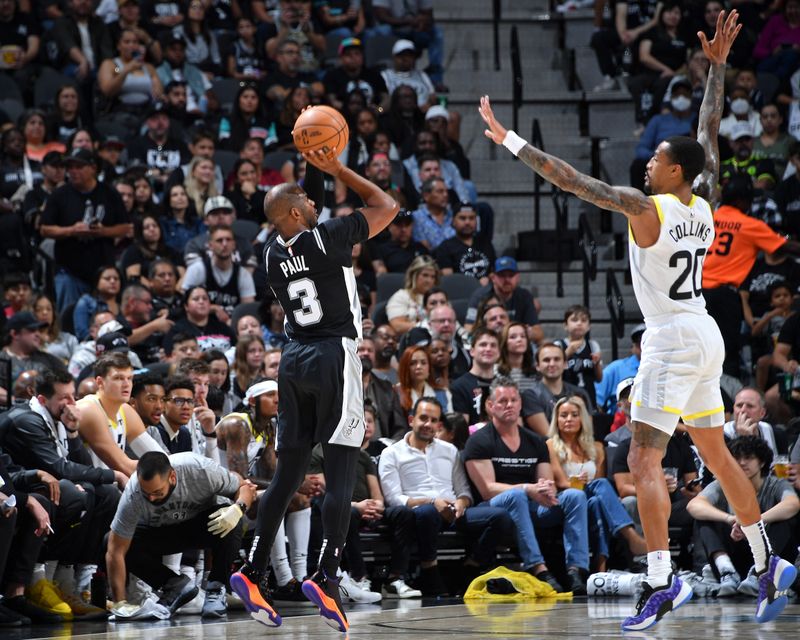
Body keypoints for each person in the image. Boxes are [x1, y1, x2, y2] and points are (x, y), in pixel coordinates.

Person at [478, 10, 797, 629]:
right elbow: (706, 137)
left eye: (656, 158)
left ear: (672, 171)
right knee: (718, 454)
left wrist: (509, 141)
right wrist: (719, 69)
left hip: (673, 337)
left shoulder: (643, 207)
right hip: (705, 333)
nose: (647, 163)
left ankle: (660, 580)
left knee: (643, 463)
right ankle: (767, 563)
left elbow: (570, 179)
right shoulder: (703, 201)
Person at [228, 143, 399, 632]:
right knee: (343, 464)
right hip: (333, 355)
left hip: (293, 361)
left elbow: (306, 201)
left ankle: (253, 570)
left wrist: (312, 158)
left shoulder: (269, 252)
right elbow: (387, 206)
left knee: (289, 473)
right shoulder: (327, 239)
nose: (314, 199)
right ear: (299, 211)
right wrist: (341, 167)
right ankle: (327, 574)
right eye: (306, 198)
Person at [463, 377, 591, 594]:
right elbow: (487, 488)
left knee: (574, 496)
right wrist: (526, 488)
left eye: (514, 400)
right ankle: (538, 568)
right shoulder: (479, 441)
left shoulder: (535, 441)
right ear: (490, 406)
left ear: (521, 403)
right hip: (494, 507)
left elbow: (545, 480)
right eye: (502, 401)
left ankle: (576, 570)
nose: (509, 405)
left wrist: (546, 490)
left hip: (531, 504)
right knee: (517, 495)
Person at [379, 396, 513, 595]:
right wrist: (433, 502)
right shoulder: (392, 453)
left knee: (499, 516)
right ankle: (429, 572)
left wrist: (461, 502)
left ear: (439, 424)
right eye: (423, 418)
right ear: (411, 420)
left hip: (453, 513)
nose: (428, 424)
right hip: (418, 515)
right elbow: (394, 499)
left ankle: (471, 566)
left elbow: (463, 490)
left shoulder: (449, 450)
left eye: (433, 421)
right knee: (427, 512)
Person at [106, 451, 257, 618]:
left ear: (172, 477)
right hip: (164, 532)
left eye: (157, 492)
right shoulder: (133, 493)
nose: (151, 498)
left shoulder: (199, 469)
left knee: (233, 520)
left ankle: (216, 587)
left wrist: (238, 509)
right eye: (146, 492)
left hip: (203, 526)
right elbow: (115, 551)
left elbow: (243, 486)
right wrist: (120, 603)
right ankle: (174, 585)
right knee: (112, 540)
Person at [546, 395, 648, 572]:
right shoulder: (550, 445)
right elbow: (561, 482)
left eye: (574, 414)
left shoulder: (597, 447)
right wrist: (577, 482)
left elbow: (601, 486)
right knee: (599, 486)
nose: (569, 419)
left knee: (598, 498)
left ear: (582, 418)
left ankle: (600, 566)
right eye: (563, 415)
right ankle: (630, 537)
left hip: (591, 498)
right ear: (557, 420)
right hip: (565, 499)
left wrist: (588, 484)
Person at [687, 436, 799, 595]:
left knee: (786, 520)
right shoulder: (723, 484)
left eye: (748, 458)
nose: (742, 463)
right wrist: (730, 519)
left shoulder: (776, 484)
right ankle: (727, 572)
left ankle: (760, 572)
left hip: (769, 549)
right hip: (736, 550)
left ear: (761, 462)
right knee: (704, 520)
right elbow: (694, 505)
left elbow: (792, 504)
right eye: (737, 458)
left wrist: (754, 523)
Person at [39, 148, 131, 313]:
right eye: (70, 167)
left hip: (102, 272)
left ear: (93, 168)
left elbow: (125, 227)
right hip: (69, 271)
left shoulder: (109, 193)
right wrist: (71, 230)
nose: (73, 171)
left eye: (79, 167)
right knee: (69, 318)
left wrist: (103, 232)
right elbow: (45, 229)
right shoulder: (60, 195)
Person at [75, 352, 163, 477]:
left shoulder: (125, 411)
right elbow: (123, 465)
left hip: (111, 487)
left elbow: (157, 455)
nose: (126, 384)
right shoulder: (89, 409)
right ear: (100, 382)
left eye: (129, 378)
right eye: (118, 378)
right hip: (88, 487)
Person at [180, 225, 256, 316]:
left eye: (228, 240)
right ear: (210, 245)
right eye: (219, 240)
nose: (224, 244)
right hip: (201, 322)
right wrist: (213, 309)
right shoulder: (197, 269)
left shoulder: (243, 274)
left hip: (230, 325)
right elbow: (185, 303)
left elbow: (247, 310)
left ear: (234, 245)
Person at [465, 257, 542, 344]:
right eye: (502, 275)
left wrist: (526, 332)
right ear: (493, 277)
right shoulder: (479, 297)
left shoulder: (524, 296)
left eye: (511, 275)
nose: (507, 280)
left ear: (518, 277)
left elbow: (538, 333)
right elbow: (469, 329)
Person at [522, 343, 593, 435]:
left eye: (557, 359)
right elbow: (548, 436)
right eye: (546, 360)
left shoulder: (580, 393)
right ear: (538, 366)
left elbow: (587, 432)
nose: (552, 364)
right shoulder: (531, 395)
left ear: (565, 364)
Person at [553, 304, 603, 409]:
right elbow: (553, 370)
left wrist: (597, 363)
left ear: (589, 326)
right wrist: (567, 353)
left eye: (584, 320)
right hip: (565, 396)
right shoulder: (558, 345)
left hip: (588, 396)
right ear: (565, 325)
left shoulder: (593, 345)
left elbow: (599, 378)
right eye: (574, 320)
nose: (579, 323)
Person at [434, 203, 496, 284]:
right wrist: (476, 285)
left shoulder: (486, 244)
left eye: (471, 218)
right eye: (462, 218)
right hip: (460, 294)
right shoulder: (445, 248)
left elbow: (494, 272)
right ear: (453, 221)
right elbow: (448, 281)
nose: (467, 222)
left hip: (487, 293)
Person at [594, 324, 643, 414]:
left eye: (648, 343)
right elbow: (596, 401)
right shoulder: (616, 368)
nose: (644, 347)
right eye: (640, 343)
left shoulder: (666, 368)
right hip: (620, 422)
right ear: (633, 347)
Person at [723, 388, 779, 457]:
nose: (743, 410)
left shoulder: (772, 431)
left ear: (762, 413)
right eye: (739, 406)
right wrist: (744, 439)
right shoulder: (721, 434)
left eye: (750, 406)